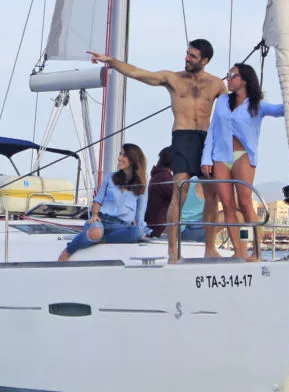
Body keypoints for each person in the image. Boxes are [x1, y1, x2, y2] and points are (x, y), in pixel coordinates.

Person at [90, 39, 227, 262]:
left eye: (192, 56)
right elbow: (139, 73)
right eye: (187, 54)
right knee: (179, 191)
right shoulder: (172, 78)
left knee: (212, 195)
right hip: (182, 137)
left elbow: (232, 111)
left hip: (205, 139)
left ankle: (210, 248)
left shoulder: (216, 85)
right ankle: (173, 250)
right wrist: (112, 62)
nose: (187, 59)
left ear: (205, 60)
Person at [201, 63, 289, 261]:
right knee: (227, 205)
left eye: (232, 75)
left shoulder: (257, 104)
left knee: (245, 202)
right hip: (220, 156)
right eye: (228, 74)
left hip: (243, 156)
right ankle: (239, 252)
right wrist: (206, 158)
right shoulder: (221, 101)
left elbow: (278, 110)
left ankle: (256, 252)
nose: (228, 78)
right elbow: (212, 130)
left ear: (244, 79)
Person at [58, 143, 148, 261]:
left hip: (120, 226)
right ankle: (68, 251)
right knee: (96, 232)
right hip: (101, 220)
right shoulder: (110, 177)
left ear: (133, 159)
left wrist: (141, 232)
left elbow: (140, 213)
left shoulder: (142, 186)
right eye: (120, 154)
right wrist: (95, 214)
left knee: (137, 232)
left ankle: (99, 239)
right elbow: (98, 200)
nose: (119, 158)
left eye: (123, 155)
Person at [145, 146, 173, 237]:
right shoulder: (165, 177)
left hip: (154, 224)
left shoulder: (158, 175)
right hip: (160, 227)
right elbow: (179, 197)